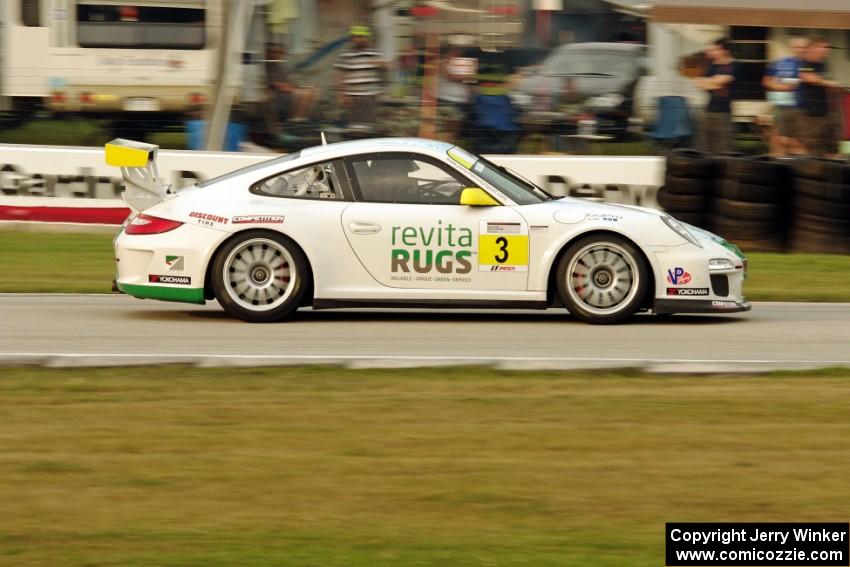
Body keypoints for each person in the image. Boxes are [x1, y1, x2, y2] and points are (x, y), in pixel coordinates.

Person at [334, 25, 387, 127]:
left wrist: (382, 64)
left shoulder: (374, 53)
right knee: (353, 128)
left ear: (367, 38)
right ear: (352, 39)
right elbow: (339, 75)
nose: (359, 39)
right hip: (352, 99)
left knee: (369, 127)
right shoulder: (345, 55)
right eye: (356, 37)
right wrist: (341, 95)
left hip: (370, 97)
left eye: (362, 37)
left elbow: (385, 70)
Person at [763, 37, 808, 156]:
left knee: (799, 143)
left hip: (802, 109)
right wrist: (781, 86)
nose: (801, 50)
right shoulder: (781, 63)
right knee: (778, 139)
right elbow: (766, 81)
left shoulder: (809, 64)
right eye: (798, 47)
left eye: (803, 47)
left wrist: (783, 84)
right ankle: (778, 163)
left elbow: (796, 84)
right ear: (792, 48)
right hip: (781, 107)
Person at [694, 38, 739, 154]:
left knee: (723, 148)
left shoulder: (735, 65)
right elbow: (700, 85)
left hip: (724, 112)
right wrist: (713, 82)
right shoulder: (711, 66)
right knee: (705, 146)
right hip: (708, 110)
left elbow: (723, 81)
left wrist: (711, 82)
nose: (713, 51)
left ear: (725, 51)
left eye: (716, 49)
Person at [798, 36, 838, 156]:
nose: (827, 50)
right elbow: (806, 76)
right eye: (824, 47)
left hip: (824, 111)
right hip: (810, 113)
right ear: (814, 47)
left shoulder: (823, 64)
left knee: (827, 145)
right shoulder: (806, 62)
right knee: (812, 146)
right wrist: (825, 82)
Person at [265, 42, 316, 123]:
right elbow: (274, 84)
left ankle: (301, 118)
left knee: (310, 92)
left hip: (286, 90)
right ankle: (295, 119)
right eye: (275, 52)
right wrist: (290, 88)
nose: (278, 55)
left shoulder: (279, 67)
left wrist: (297, 87)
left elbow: (289, 82)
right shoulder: (267, 67)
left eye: (281, 53)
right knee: (301, 94)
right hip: (277, 93)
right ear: (268, 52)